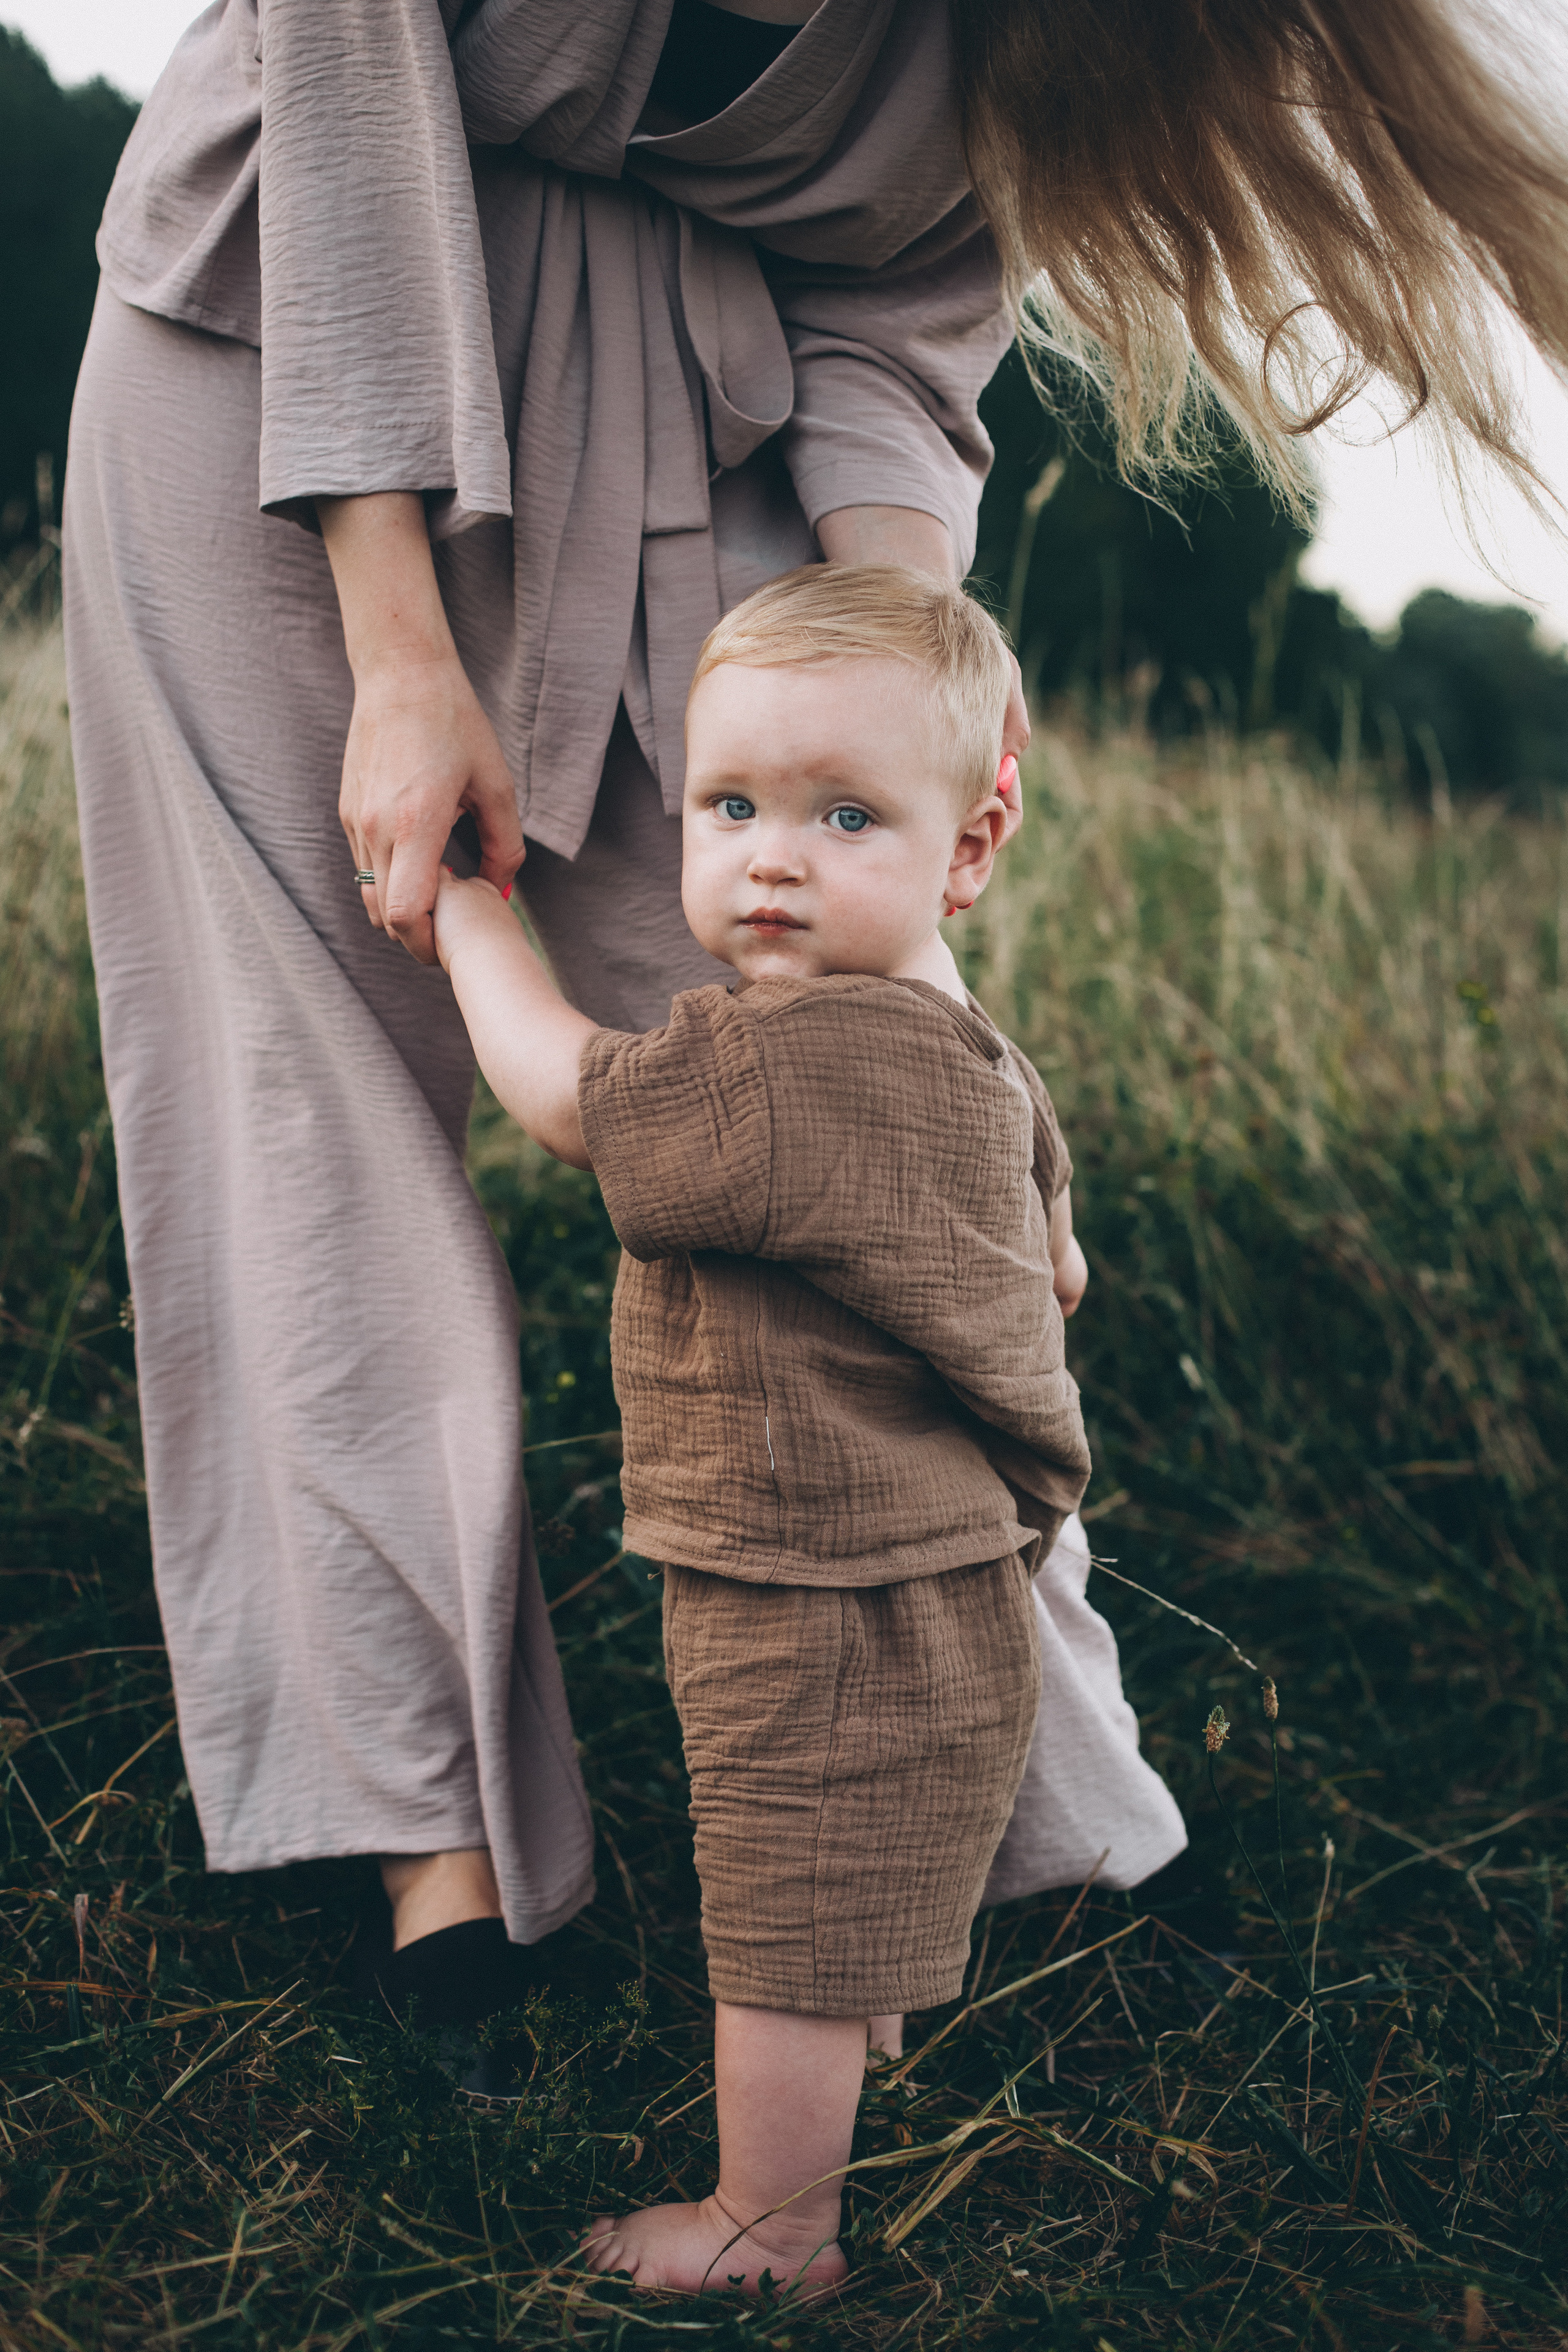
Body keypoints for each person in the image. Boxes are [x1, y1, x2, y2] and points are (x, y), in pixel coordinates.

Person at [65, 0, 1566, 2029]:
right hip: (273, 387)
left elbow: (906, 290)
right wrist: (400, 651)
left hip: (684, 417)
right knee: (297, 1107)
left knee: (839, 1092)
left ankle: (1043, 1825)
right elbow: (342, 99)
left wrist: (905, 694)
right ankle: (439, 1865)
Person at [431, 563, 1095, 2294]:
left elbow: (574, 1095)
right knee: (850, 1864)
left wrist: (472, 921)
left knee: (788, 1908)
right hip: (928, 1569)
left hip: (817, 1587)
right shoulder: (963, 1042)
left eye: (844, 814)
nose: (773, 856)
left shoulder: (784, 1067)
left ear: (968, 842)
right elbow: (1058, 1249)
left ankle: (771, 2226)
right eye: (730, 806)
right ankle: (847, 2053)